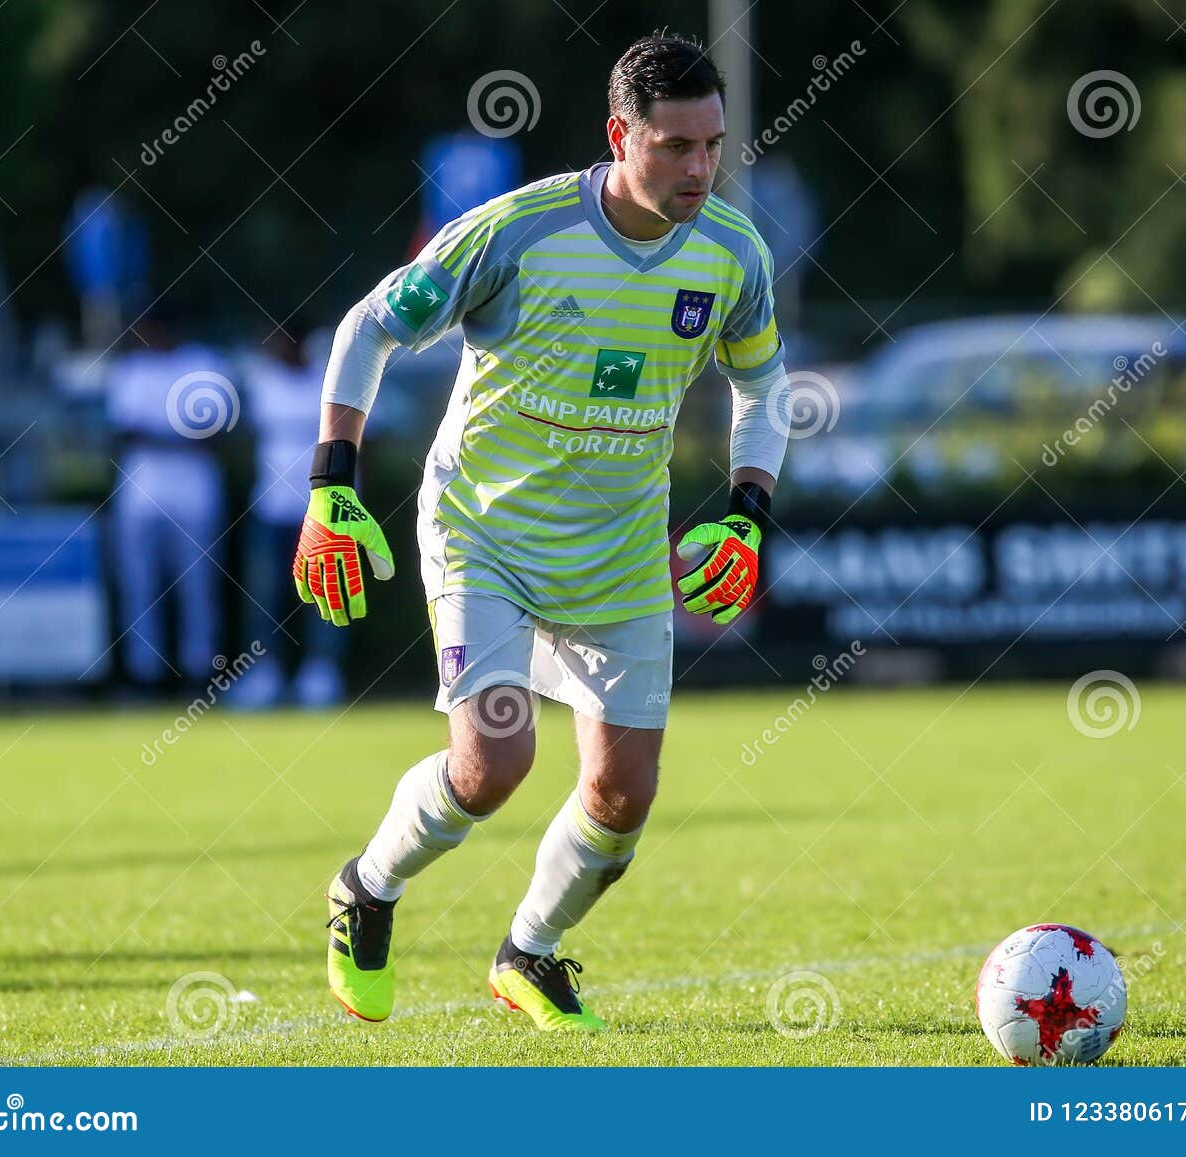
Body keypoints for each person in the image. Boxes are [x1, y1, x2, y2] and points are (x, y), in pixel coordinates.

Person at [295, 32, 789, 1031]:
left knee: (622, 795)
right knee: (494, 762)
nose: (699, 169)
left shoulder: (733, 251)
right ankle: (367, 886)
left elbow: (764, 383)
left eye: (713, 145)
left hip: (618, 549)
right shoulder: (515, 229)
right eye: (675, 146)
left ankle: (529, 951)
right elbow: (368, 327)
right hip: (487, 529)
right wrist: (331, 484)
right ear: (620, 136)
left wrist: (747, 505)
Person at [106, 316, 231, 689]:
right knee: (139, 585)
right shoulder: (131, 369)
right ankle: (144, 673)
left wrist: (159, 434)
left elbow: (216, 433)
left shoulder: (204, 363)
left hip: (195, 496)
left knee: (198, 587)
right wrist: (180, 435)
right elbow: (124, 432)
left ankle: (200, 670)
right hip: (140, 496)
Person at [231, 329, 347, 709]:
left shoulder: (330, 382)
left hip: (324, 512)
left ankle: (322, 673)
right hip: (272, 508)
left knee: (326, 593)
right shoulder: (260, 382)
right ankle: (265, 672)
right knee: (266, 595)